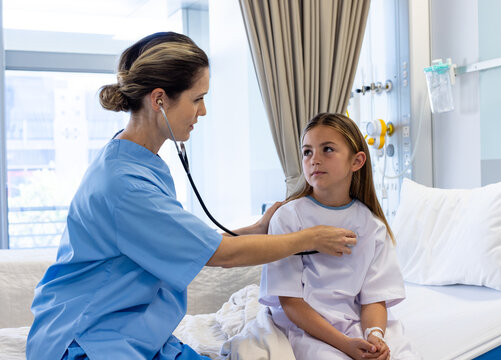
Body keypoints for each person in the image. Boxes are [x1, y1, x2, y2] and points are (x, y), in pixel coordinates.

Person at [26, 32, 358, 360]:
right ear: (159, 100)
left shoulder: (138, 161)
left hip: (134, 331)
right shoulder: (125, 184)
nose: (203, 111)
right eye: (197, 98)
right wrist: (309, 238)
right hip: (87, 340)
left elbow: (181, 242)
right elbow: (221, 255)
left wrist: (257, 229)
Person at [259, 113, 418, 360]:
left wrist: (374, 335)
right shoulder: (288, 218)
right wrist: (345, 345)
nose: (314, 160)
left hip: (356, 322)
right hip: (306, 326)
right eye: (307, 152)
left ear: (357, 161)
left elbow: (374, 297)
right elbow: (290, 302)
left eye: (328, 149)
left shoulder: (371, 226)